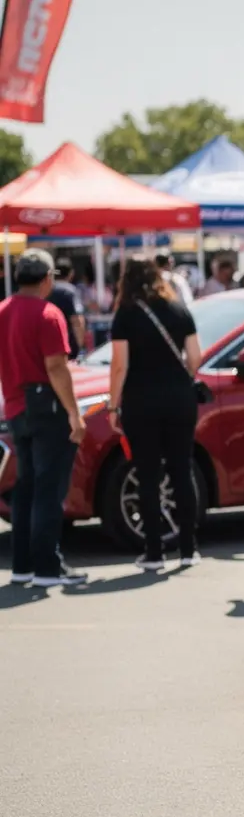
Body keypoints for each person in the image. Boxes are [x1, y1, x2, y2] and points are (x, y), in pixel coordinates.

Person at [107, 257, 203, 571]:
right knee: (181, 470)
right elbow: (195, 359)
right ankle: (188, 549)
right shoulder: (178, 310)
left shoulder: (126, 315)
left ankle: (154, 552)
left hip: (140, 403)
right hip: (179, 400)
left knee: (146, 474)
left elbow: (119, 365)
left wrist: (112, 404)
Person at [0, 249, 88, 587]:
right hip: (45, 407)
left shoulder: (4, 311)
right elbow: (56, 368)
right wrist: (74, 415)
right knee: (48, 491)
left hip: (15, 406)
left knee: (26, 489)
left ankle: (22, 565)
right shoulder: (48, 313)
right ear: (48, 278)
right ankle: (48, 568)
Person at [47, 258, 87, 360]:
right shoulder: (70, 291)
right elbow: (77, 321)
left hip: (49, 346)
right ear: (71, 273)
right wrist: (80, 345)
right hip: (68, 347)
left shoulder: (46, 290)